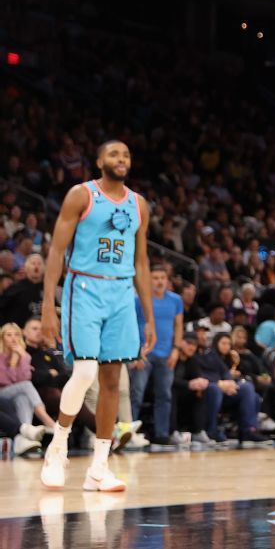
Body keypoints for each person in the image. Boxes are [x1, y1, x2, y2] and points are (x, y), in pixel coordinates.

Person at [40, 140, 157, 491]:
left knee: (111, 380)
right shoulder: (81, 195)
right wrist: (48, 304)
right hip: (85, 288)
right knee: (86, 370)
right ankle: (57, 448)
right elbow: (57, 250)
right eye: (114, 154)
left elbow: (141, 262)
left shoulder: (139, 205)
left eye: (126, 155)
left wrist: (148, 316)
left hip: (122, 293)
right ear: (99, 160)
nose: (121, 159)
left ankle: (99, 468)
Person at [128, 264, 184, 445]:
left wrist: (176, 349)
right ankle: (128, 433)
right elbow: (130, 325)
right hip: (144, 353)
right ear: (148, 280)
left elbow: (178, 325)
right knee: (136, 394)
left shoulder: (176, 300)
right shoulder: (139, 300)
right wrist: (136, 352)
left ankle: (161, 434)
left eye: (162, 278)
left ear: (167, 280)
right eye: (155, 278)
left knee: (164, 395)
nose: (159, 281)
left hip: (167, 353)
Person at [1, 321, 58, 439]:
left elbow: (25, 377)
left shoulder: (24, 355)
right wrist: (12, 364)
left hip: (16, 392)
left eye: (16, 335)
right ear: (2, 337)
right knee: (26, 386)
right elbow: (6, 381)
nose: (13, 338)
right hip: (2, 392)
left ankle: (24, 438)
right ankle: (47, 420)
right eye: (9, 335)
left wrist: (23, 358)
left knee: (22, 398)